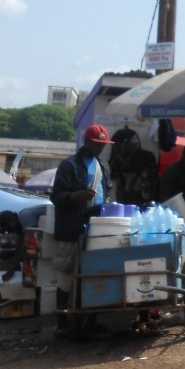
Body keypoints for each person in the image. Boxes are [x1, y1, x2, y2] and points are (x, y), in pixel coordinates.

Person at [50, 124, 113, 337]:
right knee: (68, 274)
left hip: (96, 227)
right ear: (86, 143)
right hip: (72, 228)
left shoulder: (103, 165)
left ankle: (89, 320)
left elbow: (107, 192)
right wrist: (79, 196)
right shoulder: (68, 166)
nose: (100, 149)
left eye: (103, 145)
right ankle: (62, 323)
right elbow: (57, 197)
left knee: (93, 274)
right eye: (97, 145)